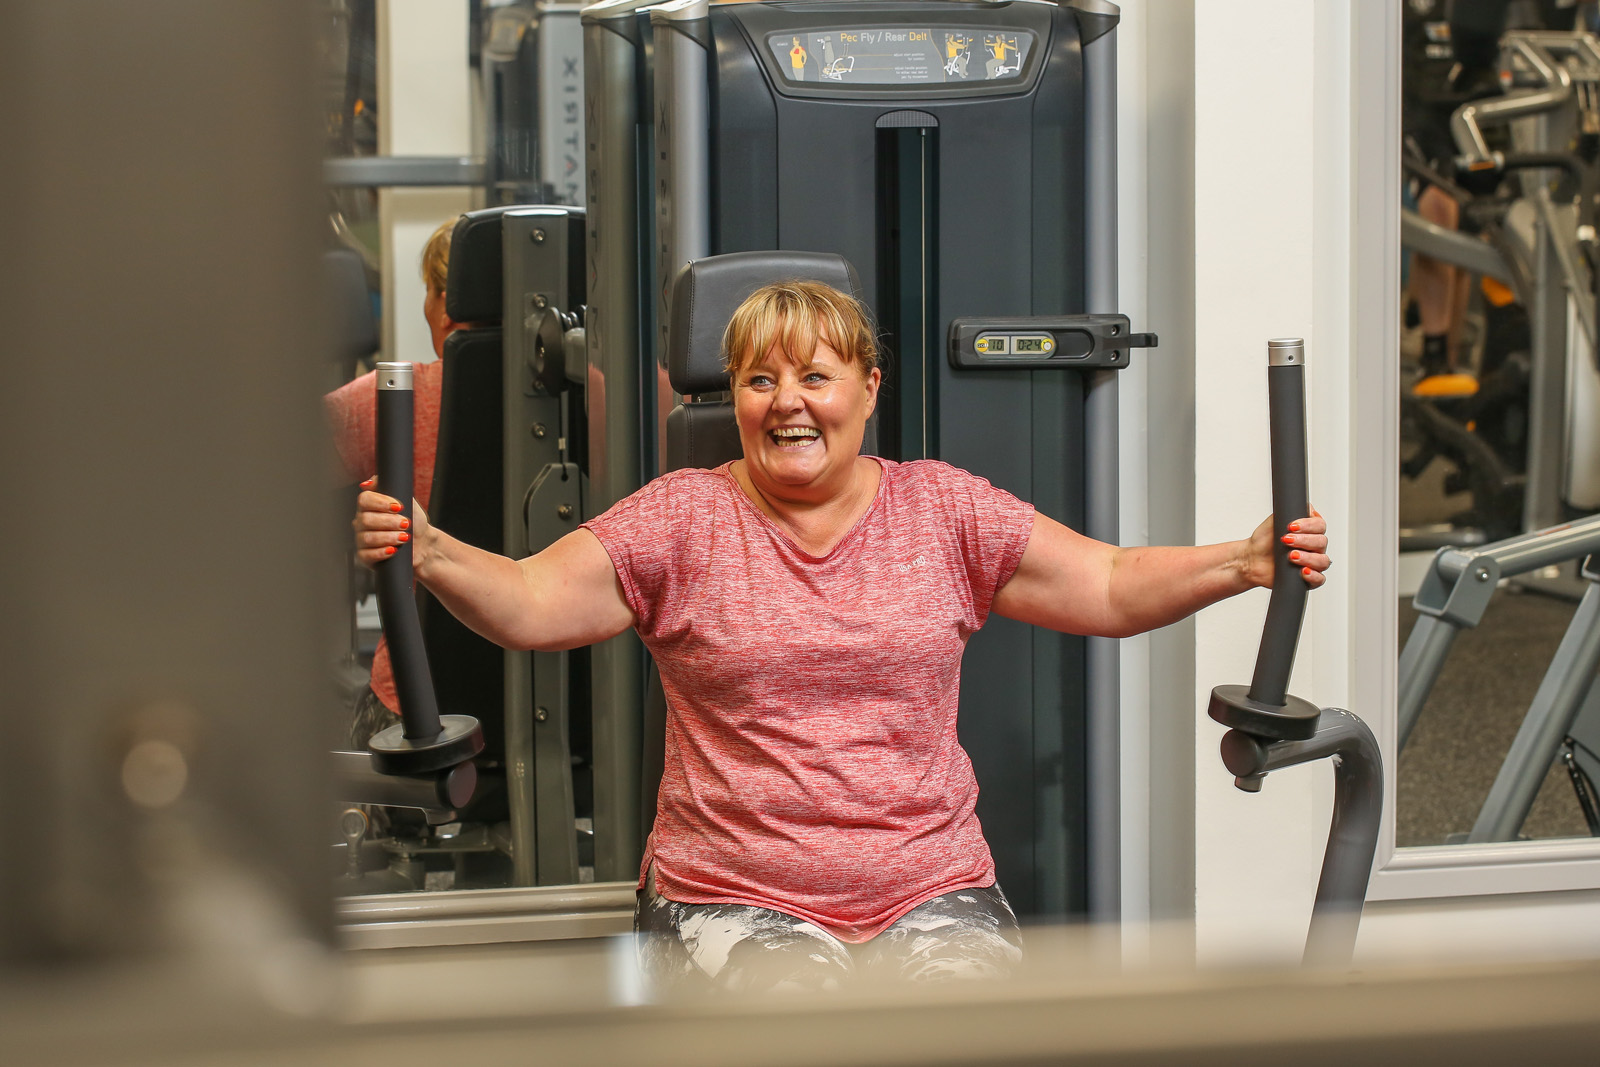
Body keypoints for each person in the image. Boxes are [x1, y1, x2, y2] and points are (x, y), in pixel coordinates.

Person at [352, 281, 1331, 992]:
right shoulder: (682, 518)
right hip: (732, 894)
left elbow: (1111, 582)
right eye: (757, 378)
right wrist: (429, 548)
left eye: (813, 375)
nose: (786, 401)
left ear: (866, 387)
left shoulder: (945, 511)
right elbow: (529, 602)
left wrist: (1241, 562)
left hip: (931, 882)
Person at [327, 217, 460, 748]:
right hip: (580, 708)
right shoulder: (609, 399)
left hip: (414, 714)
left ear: (446, 305)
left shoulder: (390, 398)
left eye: (429, 292)